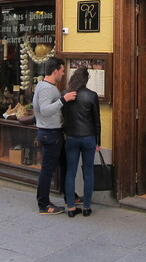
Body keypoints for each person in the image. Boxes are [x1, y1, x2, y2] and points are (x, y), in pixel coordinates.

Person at [34, 56, 77, 215]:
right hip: (50, 133)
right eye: (62, 70)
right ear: (55, 71)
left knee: (64, 165)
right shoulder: (46, 88)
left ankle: (69, 196)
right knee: (47, 170)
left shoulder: (45, 85)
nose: (63, 73)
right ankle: (43, 204)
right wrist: (63, 100)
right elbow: (45, 110)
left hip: (53, 133)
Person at [62, 67, 101, 217]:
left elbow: (64, 115)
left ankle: (71, 207)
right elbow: (96, 120)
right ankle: (86, 207)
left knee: (70, 172)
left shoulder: (66, 94)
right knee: (88, 172)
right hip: (88, 137)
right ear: (86, 79)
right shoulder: (91, 95)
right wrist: (98, 141)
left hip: (71, 137)